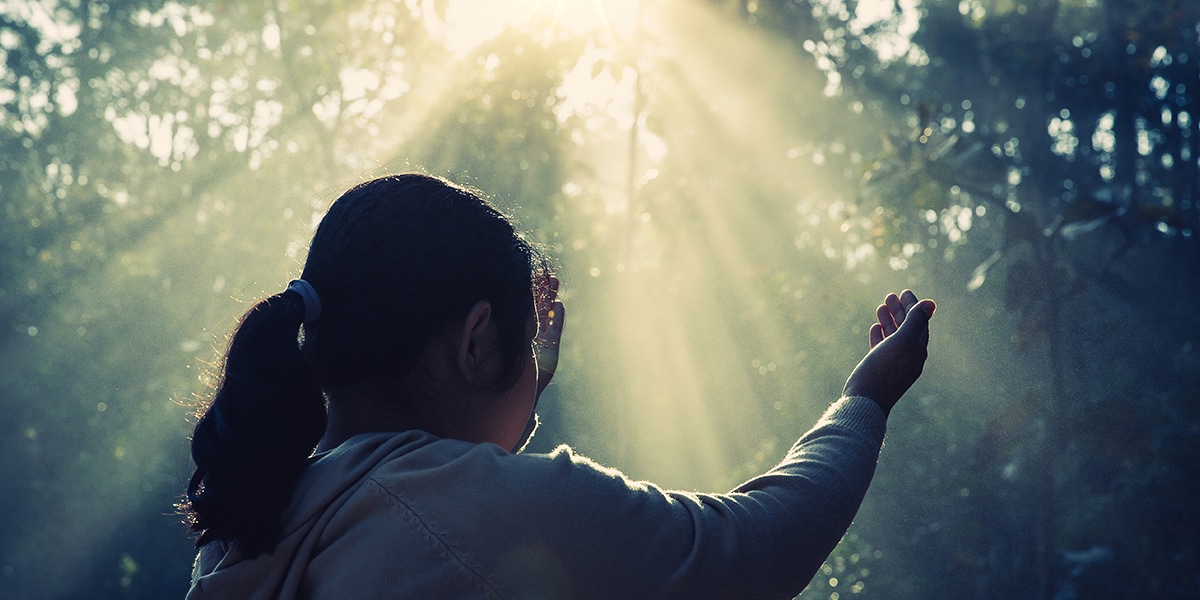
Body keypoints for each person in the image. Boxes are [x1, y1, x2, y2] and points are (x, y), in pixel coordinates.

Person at [182, 173, 936, 600]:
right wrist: (866, 396)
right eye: (518, 347)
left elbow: (433, 492)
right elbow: (755, 546)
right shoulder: (481, 511)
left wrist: (509, 395)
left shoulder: (252, 528)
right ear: (476, 341)